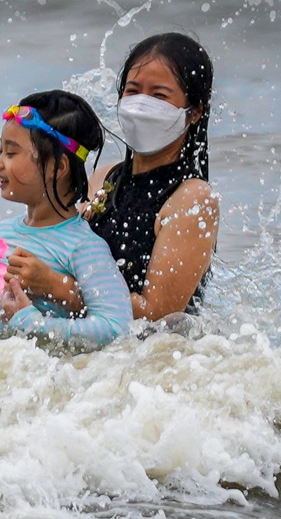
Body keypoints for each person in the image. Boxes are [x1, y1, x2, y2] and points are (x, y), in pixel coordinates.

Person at [0, 90, 132, 350]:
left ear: (57, 167)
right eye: (0, 150)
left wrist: (33, 324)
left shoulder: (83, 246)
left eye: (11, 153)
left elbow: (117, 327)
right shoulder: (0, 232)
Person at [86, 33, 217, 318]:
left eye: (159, 95)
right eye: (133, 91)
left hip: (156, 356)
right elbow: (58, 255)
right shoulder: (103, 178)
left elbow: (158, 313)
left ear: (194, 112)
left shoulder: (193, 199)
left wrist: (62, 290)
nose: (142, 107)